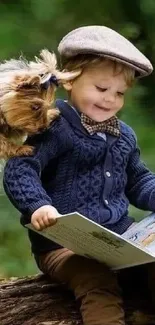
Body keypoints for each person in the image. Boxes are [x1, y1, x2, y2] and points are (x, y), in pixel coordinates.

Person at [3, 25, 155, 325]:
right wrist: (39, 206)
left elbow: (139, 181)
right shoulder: (54, 126)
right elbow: (21, 171)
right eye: (101, 89)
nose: (110, 99)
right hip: (65, 246)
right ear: (70, 82)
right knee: (96, 281)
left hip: (119, 239)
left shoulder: (123, 136)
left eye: (119, 93)